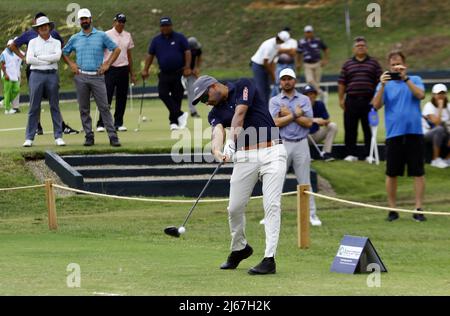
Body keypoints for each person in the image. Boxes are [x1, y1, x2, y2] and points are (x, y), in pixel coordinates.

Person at [192, 75, 287, 275]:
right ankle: (239, 248)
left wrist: (231, 142)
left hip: (272, 152)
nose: (205, 102)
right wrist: (217, 150)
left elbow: (240, 114)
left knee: (271, 205)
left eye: (204, 97)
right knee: (234, 208)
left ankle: (269, 259)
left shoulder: (244, 85)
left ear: (214, 86)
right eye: (201, 101)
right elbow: (217, 131)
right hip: (245, 156)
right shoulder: (215, 112)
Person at [372, 51, 426, 222]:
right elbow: (376, 105)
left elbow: (421, 95)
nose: (396, 67)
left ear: (405, 65)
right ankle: (392, 209)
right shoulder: (385, 84)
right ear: (389, 67)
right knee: (392, 173)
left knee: (418, 172)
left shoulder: (415, 79)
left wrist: (406, 79)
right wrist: (381, 86)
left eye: (399, 64)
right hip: (394, 133)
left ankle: (418, 208)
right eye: (393, 65)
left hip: (414, 132)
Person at [9, 12, 79, 135]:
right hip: (34, 71)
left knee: (54, 101)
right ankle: (37, 126)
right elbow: (13, 45)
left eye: (44, 23)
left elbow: (61, 51)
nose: (42, 26)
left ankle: (61, 126)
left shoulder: (54, 34)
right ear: (35, 23)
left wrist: (69, 63)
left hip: (51, 71)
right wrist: (23, 57)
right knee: (35, 100)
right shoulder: (29, 34)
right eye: (38, 23)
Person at [269, 69, 322, 226]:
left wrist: (287, 114)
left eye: (289, 78)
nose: (286, 81)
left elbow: (308, 122)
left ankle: (311, 214)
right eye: (283, 79)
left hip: (301, 142)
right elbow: (275, 123)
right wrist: (295, 114)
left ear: (295, 81)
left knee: (305, 181)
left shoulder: (304, 99)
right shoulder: (275, 101)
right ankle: (271, 215)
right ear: (280, 82)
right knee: (276, 181)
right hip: (282, 143)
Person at [62, 8, 121, 147]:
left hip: (97, 77)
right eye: (81, 19)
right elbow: (64, 52)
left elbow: (116, 49)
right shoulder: (75, 38)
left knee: (104, 107)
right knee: (84, 108)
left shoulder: (101, 35)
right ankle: (89, 136)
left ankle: (113, 136)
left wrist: (107, 64)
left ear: (90, 19)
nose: (84, 21)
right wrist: (71, 64)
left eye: (85, 18)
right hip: (81, 76)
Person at [141, 17, 190, 131]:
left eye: (167, 25)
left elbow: (187, 52)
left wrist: (187, 67)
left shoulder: (180, 37)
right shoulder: (156, 40)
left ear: (171, 26)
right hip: (164, 73)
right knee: (162, 94)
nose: (165, 28)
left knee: (177, 97)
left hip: (178, 72)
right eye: (163, 26)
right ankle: (180, 114)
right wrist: (145, 69)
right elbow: (150, 55)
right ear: (160, 27)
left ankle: (173, 122)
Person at [23, 16, 65, 147]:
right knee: (34, 106)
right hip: (36, 75)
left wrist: (39, 58)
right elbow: (29, 59)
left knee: (54, 106)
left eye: (45, 25)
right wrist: (48, 59)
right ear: (37, 29)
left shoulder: (56, 42)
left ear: (49, 27)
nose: (43, 28)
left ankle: (58, 136)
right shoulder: (33, 42)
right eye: (40, 26)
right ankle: (29, 137)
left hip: (52, 74)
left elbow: (57, 57)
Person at [338, 36, 382, 162]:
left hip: (369, 101)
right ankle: (351, 154)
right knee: (350, 128)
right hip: (351, 100)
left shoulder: (374, 63)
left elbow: (380, 82)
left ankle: (370, 154)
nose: (360, 47)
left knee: (368, 129)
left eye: (363, 45)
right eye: (358, 46)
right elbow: (342, 83)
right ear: (354, 49)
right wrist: (341, 99)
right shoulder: (347, 64)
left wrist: (376, 99)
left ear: (366, 48)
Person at [96, 13, 137, 133]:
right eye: (119, 21)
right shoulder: (106, 34)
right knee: (106, 96)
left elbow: (129, 55)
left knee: (122, 97)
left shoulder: (127, 35)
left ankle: (118, 123)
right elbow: (100, 51)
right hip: (110, 69)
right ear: (114, 22)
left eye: (123, 22)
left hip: (123, 69)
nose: (121, 24)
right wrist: (101, 65)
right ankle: (101, 123)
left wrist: (132, 73)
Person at [250, 31, 290, 106]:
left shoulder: (277, 45)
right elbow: (265, 62)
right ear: (281, 40)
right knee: (261, 88)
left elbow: (272, 61)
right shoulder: (269, 45)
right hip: (258, 65)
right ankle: (261, 108)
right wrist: (272, 75)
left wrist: (273, 74)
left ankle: (266, 106)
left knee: (267, 89)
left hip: (266, 65)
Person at [303, 84, 337, 161]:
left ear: (315, 95)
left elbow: (327, 120)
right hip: (303, 137)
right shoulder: (299, 106)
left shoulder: (320, 104)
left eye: (311, 94)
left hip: (315, 134)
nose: (309, 96)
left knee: (333, 126)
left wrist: (323, 121)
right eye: (306, 95)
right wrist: (314, 120)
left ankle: (326, 153)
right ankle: (304, 156)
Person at [422, 83, 450, 168]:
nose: (441, 95)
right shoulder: (429, 106)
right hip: (427, 133)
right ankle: (435, 160)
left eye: (443, 93)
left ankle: (447, 159)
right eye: (438, 93)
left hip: (445, 133)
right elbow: (437, 123)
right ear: (433, 94)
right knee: (439, 129)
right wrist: (440, 107)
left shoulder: (448, 106)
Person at [296, 25, 329, 99]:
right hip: (307, 64)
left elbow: (326, 49)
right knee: (310, 80)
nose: (308, 34)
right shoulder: (301, 42)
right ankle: (321, 93)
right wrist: (298, 62)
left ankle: (315, 99)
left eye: (309, 32)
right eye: (307, 32)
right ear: (304, 33)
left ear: (312, 32)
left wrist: (325, 59)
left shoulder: (318, 40)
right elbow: (298, 53)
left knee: (316, 83)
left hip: (317, 63)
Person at [271, 27, 298, 97]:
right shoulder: (278, 41)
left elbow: (293, 52)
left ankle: (290, 96)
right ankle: (276, 97)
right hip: (280, 64)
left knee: (291, 81)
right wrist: (289, 50)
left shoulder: (293, 41)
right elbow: (277, 50)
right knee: (277, 81)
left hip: (290, 65)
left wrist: (282, 50)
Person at [1, 39, 21, 115]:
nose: (14, 47)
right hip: (7, 76)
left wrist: (16, 75)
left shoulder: (13, 53)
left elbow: (14, 66)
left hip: (14, 76)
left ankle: (5, 101)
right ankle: (7, 109)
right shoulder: (4, 53)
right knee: (8, 92)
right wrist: (5, 74)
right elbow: (2, 65)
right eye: (13, 46)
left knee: (16, 89)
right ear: (8, 46)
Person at [185, 36, 202, 118]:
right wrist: (189, 70)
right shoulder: (184, 51)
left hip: (191, 72)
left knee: (192, 91)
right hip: (182, 72)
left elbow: (199, 57)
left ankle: (193, 111)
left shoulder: (197, 49)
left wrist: (197, 68)